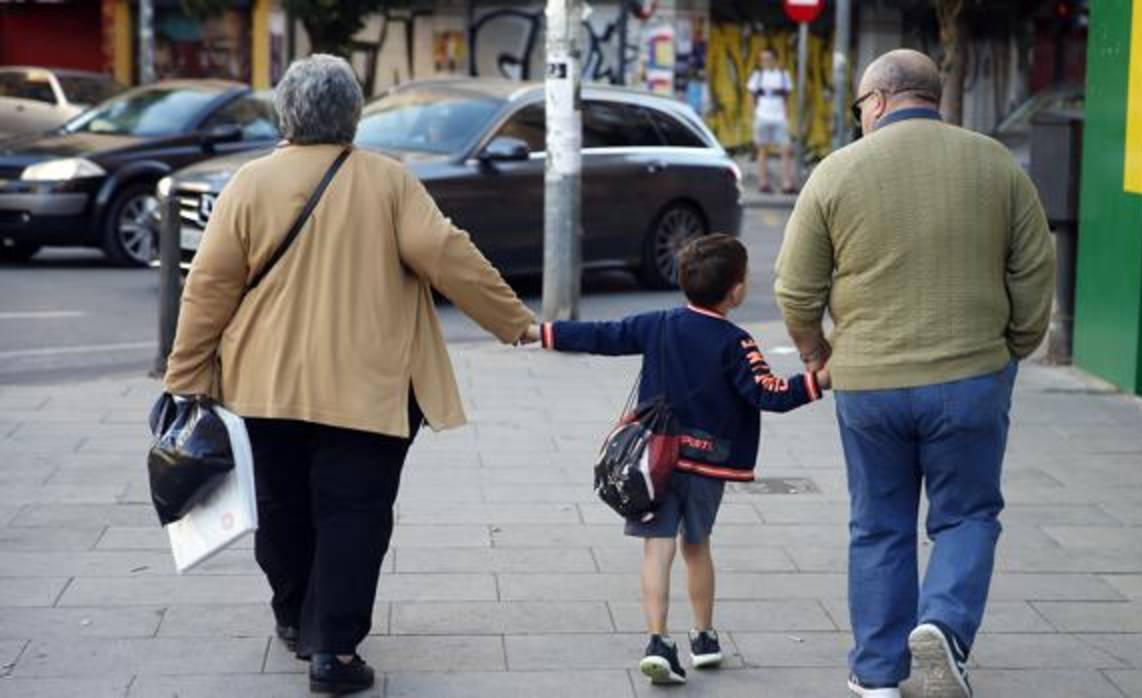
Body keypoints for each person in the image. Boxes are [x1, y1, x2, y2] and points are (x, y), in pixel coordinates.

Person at [164, 54, 535, 695]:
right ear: (354, 117)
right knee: (354, 514)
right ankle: (333, 651)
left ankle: (292, 615)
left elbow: (208, 289)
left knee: (278, 507)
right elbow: (447, 253)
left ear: (286, 112)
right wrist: (514, 322)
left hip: (263, 386)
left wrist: (185, 376)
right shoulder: (390, 182)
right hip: (369, 389)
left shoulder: (248, 184)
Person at [773, 49, 1054, 698]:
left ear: (877, 100)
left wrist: (817, 355)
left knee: (878, 523)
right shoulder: (994, 164)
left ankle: (876, 675)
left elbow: (795, 290)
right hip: (971, 376)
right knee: (966, 516)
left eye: (859, 108)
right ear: (933, 98)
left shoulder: (836, 172)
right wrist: (1014, 344)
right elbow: (1034, 270)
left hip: (869, 385)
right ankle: (943, 628)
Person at [522, 235, 829, 685]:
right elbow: (769, 394)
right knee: (697, 547)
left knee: (657, 549)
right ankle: (704, 638)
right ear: (737, 290)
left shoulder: (657, 324)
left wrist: (539, 332)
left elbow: (601, 335)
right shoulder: (737, 343)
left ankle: (658, 641)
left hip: (655, 464)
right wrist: (821, 380)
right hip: (709, 465)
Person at [747, 48, 796, 194]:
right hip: (762, 117)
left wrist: (786, 115)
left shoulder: (783, 75)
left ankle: (786, 184)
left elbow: (787, 97)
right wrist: (755, 113)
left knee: (786, 150)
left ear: (775, 59)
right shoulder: (758, 76)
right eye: (762, 59)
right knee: (762, 151)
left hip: (779, 117)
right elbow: (751, 95)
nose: (765, 62)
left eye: (768, 58)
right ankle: (763, 183)